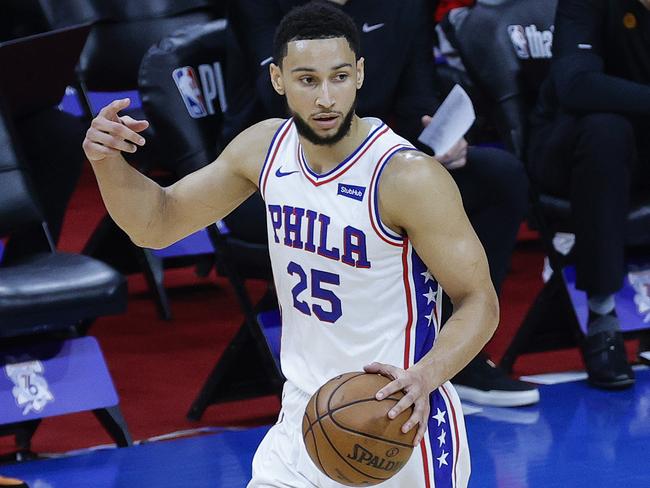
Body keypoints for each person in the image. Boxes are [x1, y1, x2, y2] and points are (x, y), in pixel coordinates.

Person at [83, 3, 498, 486]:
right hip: (304, 415)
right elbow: (155, 224)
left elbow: (480, 301)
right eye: (307, 80)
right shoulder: (264, 148)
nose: (326, 97)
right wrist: (107, 162)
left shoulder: (407, 177)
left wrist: (426, 376)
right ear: (278, 79)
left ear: (360, 74)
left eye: (339, 77)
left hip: (398, 422)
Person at [226, 0, 538, 407]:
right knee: (361, 209)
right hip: (278, 171)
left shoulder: (404, 5)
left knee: (500, 177)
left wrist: (436, 140)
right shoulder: (265, 11)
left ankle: (455, 358)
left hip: (380, 162)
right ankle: (338, 375)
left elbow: (418, 96)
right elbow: (284, 106)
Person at [528, 0, 650, 389]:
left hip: (640, 149)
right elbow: (575, 85)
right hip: (569, 147)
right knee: (606, 130)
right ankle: (603, 319)